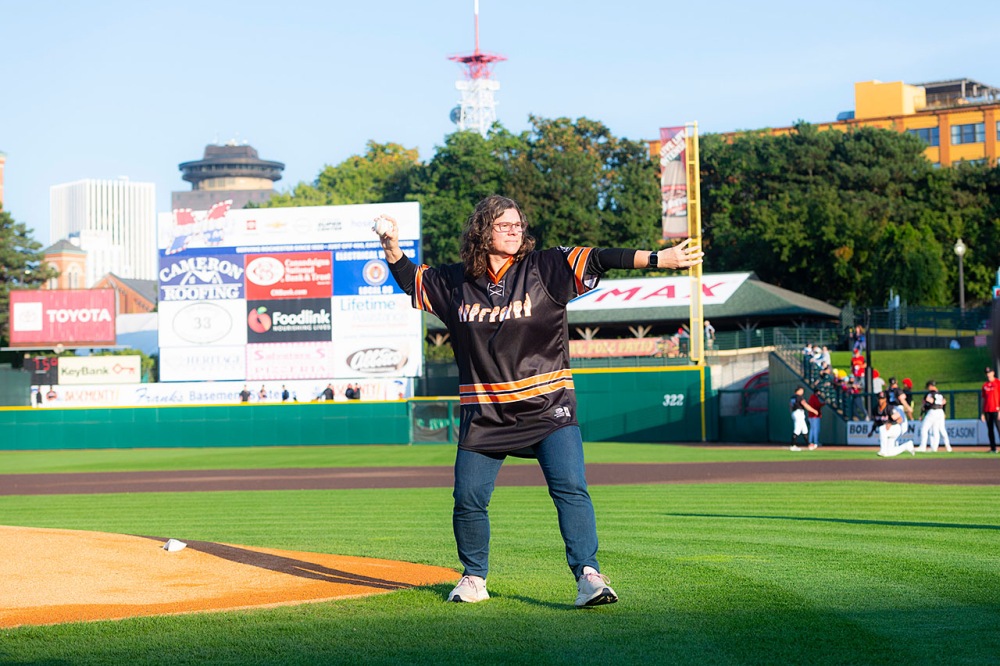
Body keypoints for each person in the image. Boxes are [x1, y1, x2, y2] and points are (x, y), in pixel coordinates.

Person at [373, 195, 703, 607]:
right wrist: (391, 246)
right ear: (482, 231)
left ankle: (589, 576)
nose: (515, 231)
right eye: (504, 225)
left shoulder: (544, 268)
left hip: (548, 408)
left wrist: (658, 259)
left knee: (570, 486)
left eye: (518, 225)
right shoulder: (455, 282)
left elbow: (600, 257)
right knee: (468, 498)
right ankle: (474, 577)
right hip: (486, 414)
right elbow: (411, 278)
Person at [870, 391, 915, 457]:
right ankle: (907, 445)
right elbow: (876, 422)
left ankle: (883, 450)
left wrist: (891, 423)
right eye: (879, 398)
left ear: (885, 399)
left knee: (882, 428)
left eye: (882, 399)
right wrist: (871, 431)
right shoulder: (875, 409)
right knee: (890, 453)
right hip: (888, 430)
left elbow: (900, 419)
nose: (880, 400)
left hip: (895, 428)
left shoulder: (890, 408)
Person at [917, 380, 951, 452]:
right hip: (940, 411)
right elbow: (944, 402)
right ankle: (940, 447)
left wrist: (921, 414)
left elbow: (926, 403)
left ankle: (923, 446)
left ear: (930, 386)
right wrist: (944, 412)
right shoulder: (940, 394)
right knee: (938, 430)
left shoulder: (930, 394)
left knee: (924, 428)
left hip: (933, 411)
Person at [789, 386, 819, 451]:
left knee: (804, 429)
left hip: (795, 412)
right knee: (797, 429)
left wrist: (792, 413)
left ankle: (809, 444)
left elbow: (790, 406)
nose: (802, 392)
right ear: (798, 390)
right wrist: (814, 411)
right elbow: (805, 405)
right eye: (801, 390)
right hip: (798, 412)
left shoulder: (792, 397)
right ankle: (792, 445)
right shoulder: (799, 397)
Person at [982, 366, 1000, 453]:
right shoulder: (985, 385)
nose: (988, 374)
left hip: (996, 410)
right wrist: (982, 413)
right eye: (986, 373)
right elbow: (983, 399)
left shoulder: (998, 383)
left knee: (999, 428)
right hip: (987, 410)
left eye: (989, 373)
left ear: (993, 373)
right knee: (990, 430)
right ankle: (993, 448)